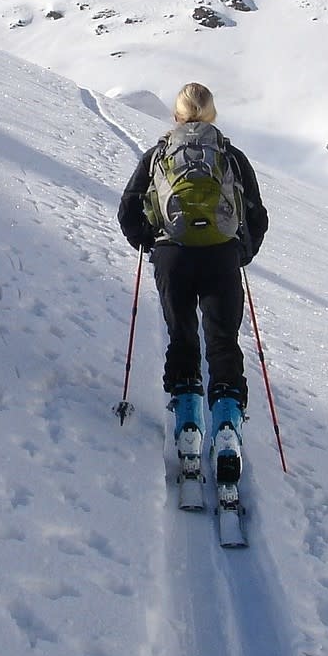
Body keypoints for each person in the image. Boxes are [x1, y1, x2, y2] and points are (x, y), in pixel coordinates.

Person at [117, 82, 268, 482]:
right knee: (223, 341)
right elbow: (257, 216)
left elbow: (128, 210)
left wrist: (149, 242)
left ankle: (188, 428)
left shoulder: (159, 154)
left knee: (182, 337)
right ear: (212, 114)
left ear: (176, 115)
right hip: (221, 256)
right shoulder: (231, 156)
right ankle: (227, 429)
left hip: (173, 256)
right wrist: (241, 252)